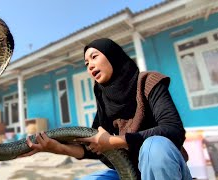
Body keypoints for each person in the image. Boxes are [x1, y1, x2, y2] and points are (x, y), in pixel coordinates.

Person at [18, 38, 192, 180]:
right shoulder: (104, 99)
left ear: (112, 56)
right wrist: (57, 148)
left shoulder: (148, 82)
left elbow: (173, 129)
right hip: (128, 174)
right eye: (86, 63)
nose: (90, 66)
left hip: (165, 172)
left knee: (154, 146)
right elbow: (94, 148)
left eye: (94, 57)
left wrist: (113, 141)